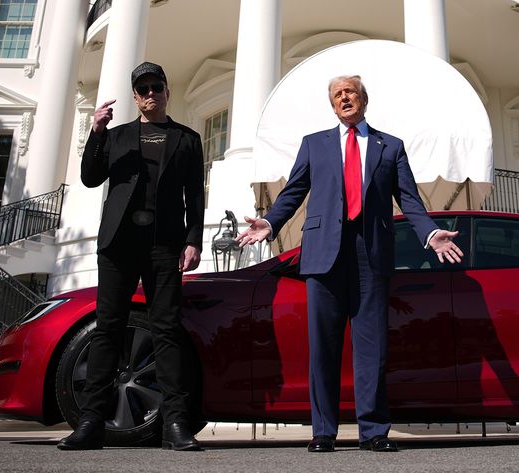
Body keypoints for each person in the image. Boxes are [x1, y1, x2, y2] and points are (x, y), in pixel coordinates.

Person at [235, 75, 463, 453]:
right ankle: (323, 431)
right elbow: (294, 191)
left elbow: (409, 199)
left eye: (351, 92)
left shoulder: (390, 146)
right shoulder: (314, 144)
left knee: (372, 348)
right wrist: (271, 222)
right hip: (323, 252)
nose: (345, 98)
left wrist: (429, 233)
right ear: (332, 104)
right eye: (338, 94)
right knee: (322, 347)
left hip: (370, 253)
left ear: (364, 100)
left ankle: (373, 431)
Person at [57, 62, 205, 452]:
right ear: (136, 97)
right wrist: (97, 132)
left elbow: (196, 196)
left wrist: (194, 240)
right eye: (143, 89)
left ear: (167, 91)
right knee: (109, 328)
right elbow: (90, 177)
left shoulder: (187, 138)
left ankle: (175, 424)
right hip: (119, 244)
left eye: (157, 86)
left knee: (167, 330)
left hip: (165, 245)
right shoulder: (118, 136)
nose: (151, 93)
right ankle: (91, 422)